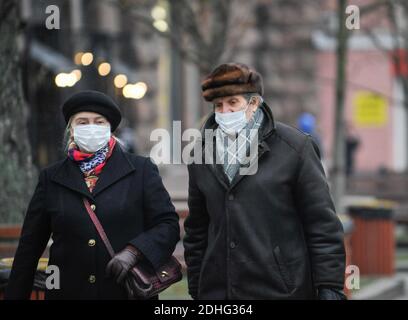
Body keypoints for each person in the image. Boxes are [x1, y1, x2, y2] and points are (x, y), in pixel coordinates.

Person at [183, 63, 346, 300]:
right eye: (218, 105)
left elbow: (321, 223)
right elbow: (197, 228)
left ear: (254, 103)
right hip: (219, 292)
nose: (225, 112)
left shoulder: (295, 148)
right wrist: (197, 286)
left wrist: (329, 285)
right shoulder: (200, 154)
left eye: (233, 103)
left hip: (280, 290)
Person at [5, 90, 180, 300]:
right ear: (71, 130)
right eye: (82, 122)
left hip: (124, 293)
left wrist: (134, 252)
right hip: (68, 292)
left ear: (110, 130)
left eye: (99, 122)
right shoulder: (51, 178)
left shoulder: (141, 170)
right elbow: (30, 247)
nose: (91, 128)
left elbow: (167, 225)